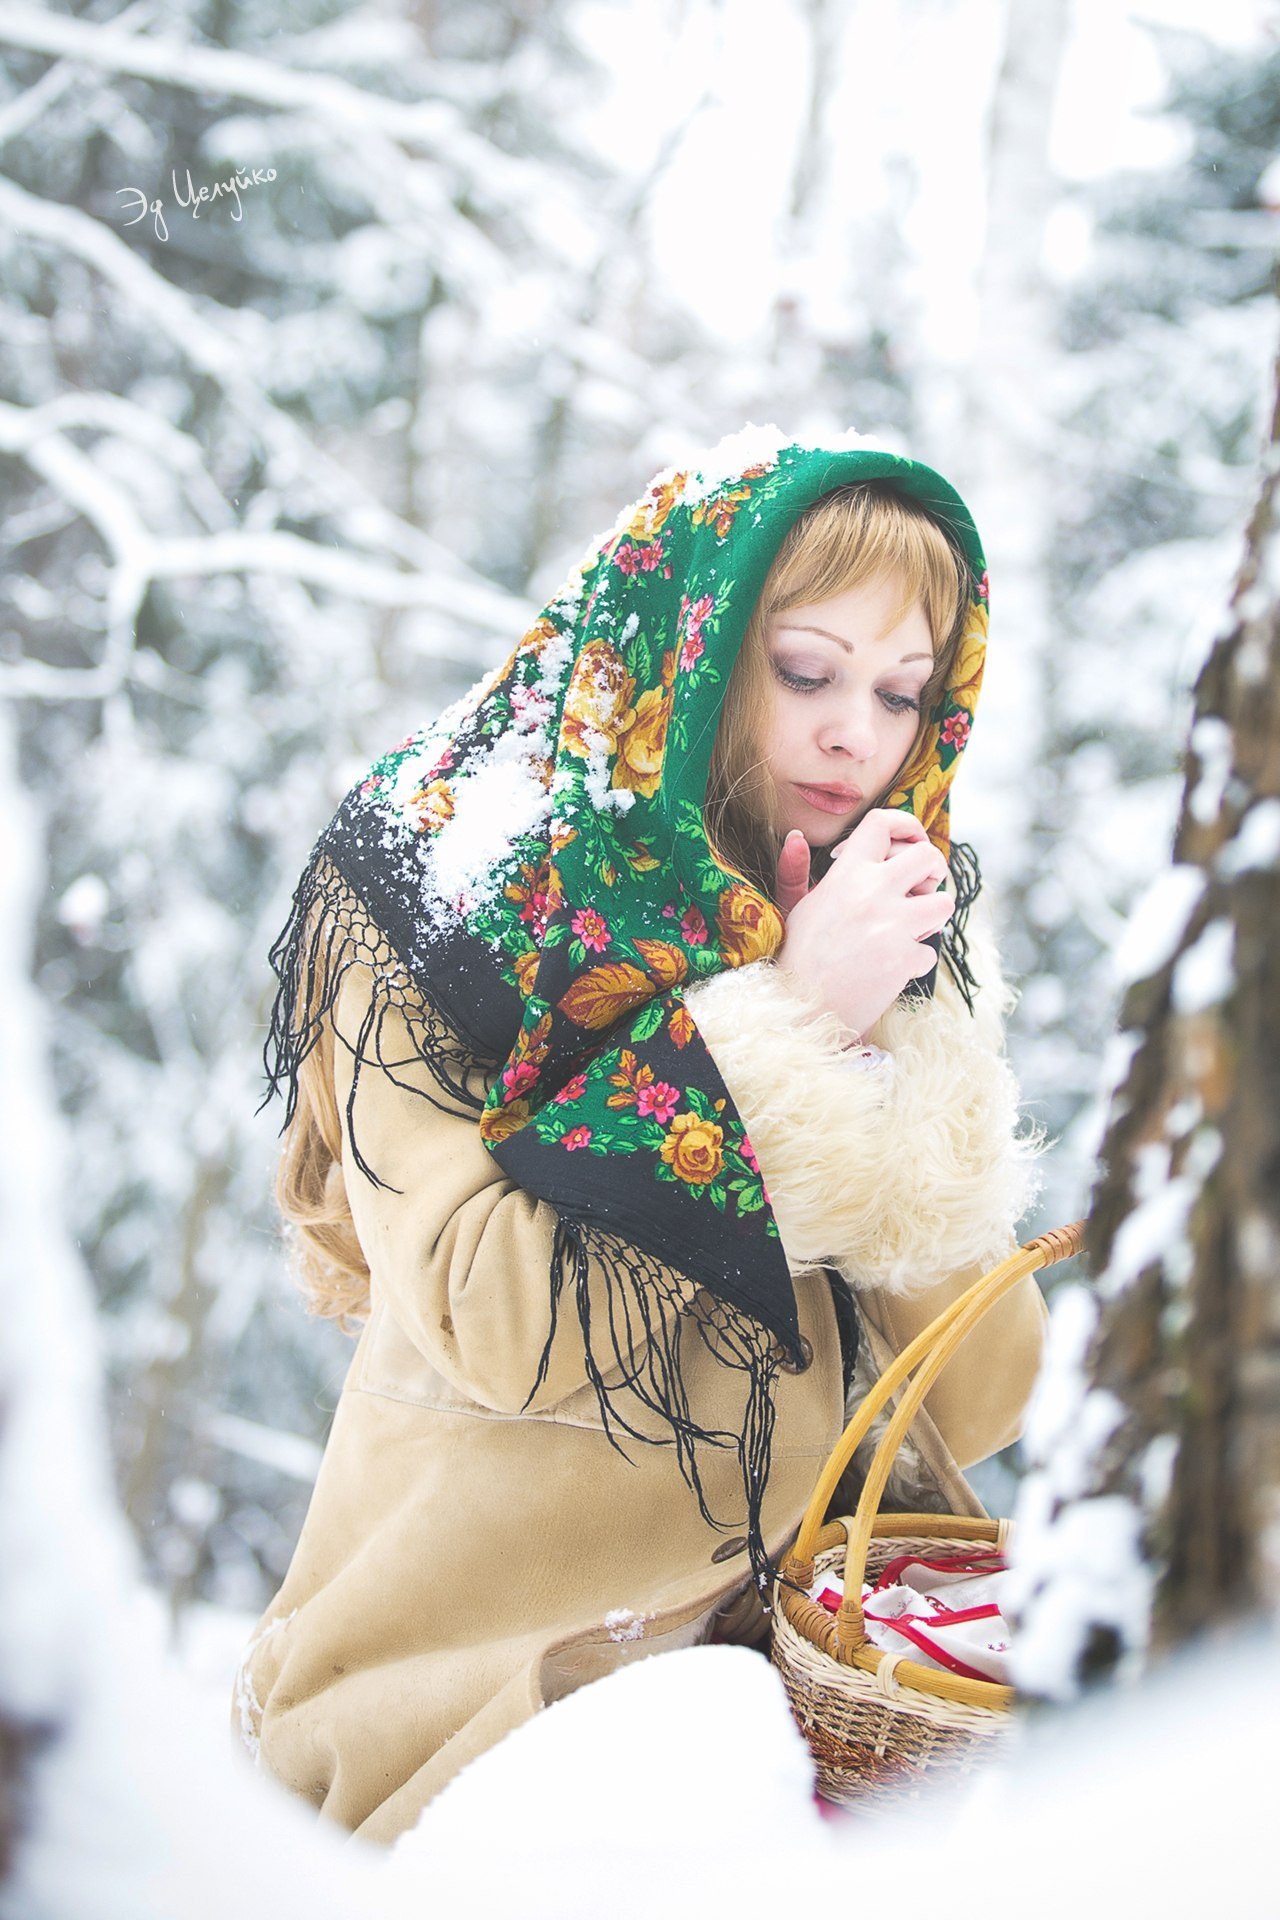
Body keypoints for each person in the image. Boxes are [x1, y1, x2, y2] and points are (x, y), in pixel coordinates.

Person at [234, 428, 1047, 1844]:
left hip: (813, 1699)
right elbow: (500, 1321)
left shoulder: (874, 902)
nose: (859, 734)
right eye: (806, 671)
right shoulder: (448, 894)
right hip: (486, 1699)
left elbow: (978, 1397)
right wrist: (779, 1028)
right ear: (695, 642)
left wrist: (877, 1048)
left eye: (904, 693)